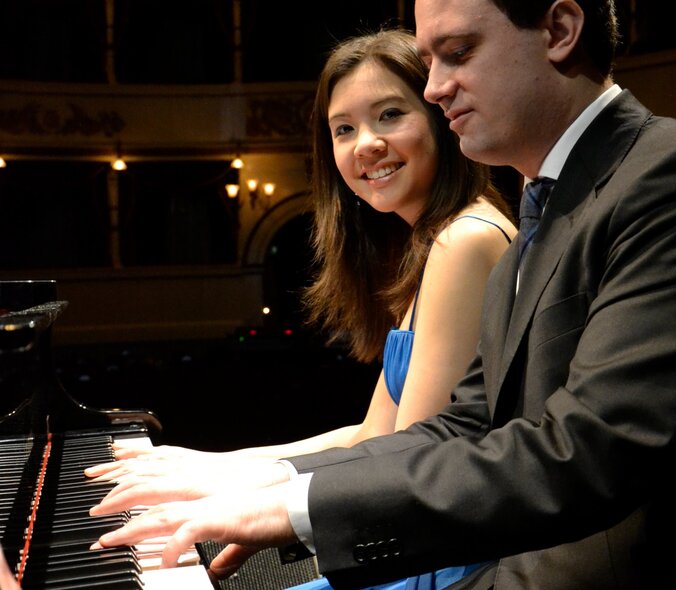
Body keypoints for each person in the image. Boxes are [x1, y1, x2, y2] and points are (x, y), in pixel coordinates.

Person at [89, 1, 676, 588]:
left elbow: (583, 456)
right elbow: (459, 427)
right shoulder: (540, 210)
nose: (434, 88)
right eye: (427, 61)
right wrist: (266, 485)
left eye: (456, 54)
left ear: (559, 29)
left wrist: (286, 509)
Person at [87, 27, 514, 589]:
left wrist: (247, 497)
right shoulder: (434, 245)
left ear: (439, 115)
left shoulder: (465, 241)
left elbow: (407, 464)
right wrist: (208, 465)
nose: (365, 143)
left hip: (447, 564)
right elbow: (370, 434)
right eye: (344, 128)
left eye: (389, 115)